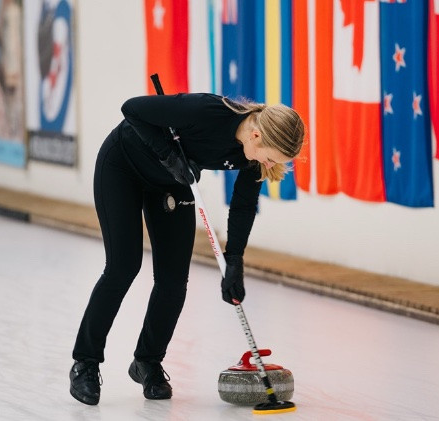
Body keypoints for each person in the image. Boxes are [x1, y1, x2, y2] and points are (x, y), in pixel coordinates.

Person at [69, 93, 304, 405]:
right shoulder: (207, 111)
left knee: (173, 279)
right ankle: (85, 363)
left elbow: (244, 204)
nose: (269, 165)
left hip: (172, 181)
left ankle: (147, 363)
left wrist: (234, 259)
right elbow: (133, 109)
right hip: (122, 166)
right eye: (271, 157)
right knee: (123, 267)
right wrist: (169, 156)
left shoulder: (252, 153)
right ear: (256, 135)